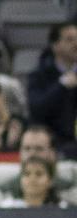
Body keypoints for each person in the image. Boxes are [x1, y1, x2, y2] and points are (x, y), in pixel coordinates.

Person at [27, 21, 77, 159]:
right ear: (55, 46)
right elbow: (36, 108)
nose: (76, 44)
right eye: (69, 39)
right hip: (52, 144)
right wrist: (61, 86)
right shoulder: (39, 75)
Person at [0, 124, 77, 206]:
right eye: (27, 148)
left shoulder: (69, 191)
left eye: (39, 148)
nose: (32, 154)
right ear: (20, 153)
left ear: (53, 153)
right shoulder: (4, 192)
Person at [0, 157, 66, 208]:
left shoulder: (62, 208)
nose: (32, 179)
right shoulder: (7, 207)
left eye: (39, 174)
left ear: (50, 181)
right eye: (27, 174)